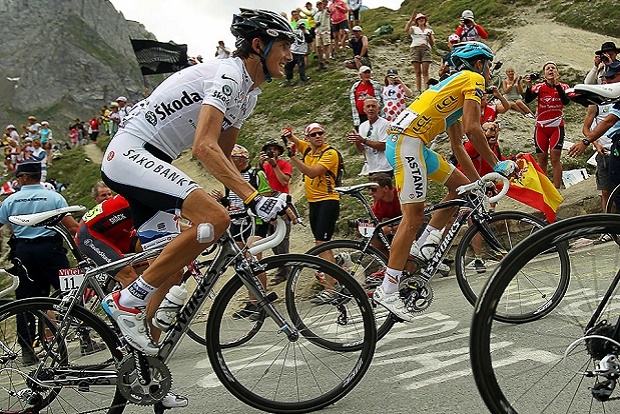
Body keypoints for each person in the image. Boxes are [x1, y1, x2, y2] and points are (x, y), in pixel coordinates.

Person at [99, 9, 292, 358]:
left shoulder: (248, 95)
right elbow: (203, 146)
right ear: (259, 45)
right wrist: (254, 197)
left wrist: (241, 197)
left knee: (171, 271)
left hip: (153, 160)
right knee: (214, 219)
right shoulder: (228, 75)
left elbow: (224, 153)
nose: (290, 55)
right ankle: (125, 301)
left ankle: (147, 367)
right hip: (131, 152)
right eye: (284, 45)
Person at [372, 42, 518, 321]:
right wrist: (498, 164)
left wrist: (481, 185)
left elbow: (459, 145)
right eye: (489, 66)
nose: (489, 74)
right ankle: (388, 290)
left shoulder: (453, 87)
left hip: (414, 144)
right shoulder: (472, 80)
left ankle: (426, 243)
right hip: (407, 143)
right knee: (412, 218)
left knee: (461, 187)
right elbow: (475, 129)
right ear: (479, 65)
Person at [0, 160, 79, 365]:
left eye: (18, 177)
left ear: (25, 177)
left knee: (26, 300)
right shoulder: (54, 197)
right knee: (71, 292)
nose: (16, 181)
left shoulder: (10, 201)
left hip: (24, 252)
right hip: (52, 250)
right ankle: (86, 338)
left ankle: (27, 351)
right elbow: (71, 227)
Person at [282, 123, 341, 303]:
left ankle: (330, 289)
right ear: (308, 137)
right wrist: (287, 134)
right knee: (323, 244)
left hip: (328, 200)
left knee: (322, 244)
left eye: (320, 133)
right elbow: (293, 140)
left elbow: (312, 173)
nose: (318, 137)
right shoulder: (308, 148)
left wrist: (293, 158)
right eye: (314, 134)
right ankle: (336, 281)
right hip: (314, 202)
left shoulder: (330, 153)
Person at [568, 62, 620, 207]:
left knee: (617, 193)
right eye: (605, 79)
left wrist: (585, 142)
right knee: (610, 192)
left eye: (612, 78)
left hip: (615, 147)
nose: (607, 81)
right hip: (609, 148)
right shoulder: (613, 102)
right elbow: (589, 126)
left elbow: (609, 121)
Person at [523, 61, 570, 189]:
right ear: (544, 74)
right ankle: (544, 189)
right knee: (542, 159)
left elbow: (566, 101)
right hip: (541, 128)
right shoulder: (539, 87)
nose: (550, 70)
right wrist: (528, 86)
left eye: (553, 68)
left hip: (556, 127)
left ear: (557, 72)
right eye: (547, 68)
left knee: (555, 158)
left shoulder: (564, 86)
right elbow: (527, 100)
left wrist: (557, 85)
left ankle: (558, 189)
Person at [259, 140, 292, 286]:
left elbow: (284, 181)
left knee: (283, 239)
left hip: (282, 203)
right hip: (268, 205)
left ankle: (284, 271)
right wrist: (261, 166)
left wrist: (274, 165)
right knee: (273, 240)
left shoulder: (284, 164)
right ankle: (283, 268)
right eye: (269, 149)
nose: (271, 152)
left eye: (274, 149)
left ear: (279, 151)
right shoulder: (263, 167)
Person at [581, 100, 614, 214]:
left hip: (616, 149)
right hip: (604, 152)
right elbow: (586, 128)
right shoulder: (595, 104)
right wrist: (596, 144)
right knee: (605, 191)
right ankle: (608, 224)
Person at [347, 97, 393, 176]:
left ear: (378, 109)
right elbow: (362, 149)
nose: (371, 109)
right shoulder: (362, 126)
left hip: (385, 167)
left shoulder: (385, 124)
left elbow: (383, 146)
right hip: (372, 168)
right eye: (368, 106)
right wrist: (357, 141)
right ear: (364, 109)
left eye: (373, 106)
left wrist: (363, 140)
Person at [405, 12, 434, 94]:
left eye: (422, 18)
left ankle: (427, 89)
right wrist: (410, 19)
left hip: (426, 49)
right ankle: (418, 90)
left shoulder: (429, 30)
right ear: (416, 21)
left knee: (425, 71)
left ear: (425, 20)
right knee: (417, 72)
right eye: (419, 19)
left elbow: (432, 43)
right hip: (415, 49)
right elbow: (406, 29)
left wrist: (429, 37)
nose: (421, 20)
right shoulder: (414, 28)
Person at [349, 65, 383, 131]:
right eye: (365, 73)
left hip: (373, 115)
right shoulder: (355, 86)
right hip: (360, 116)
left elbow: (381, 100)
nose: (367, 75)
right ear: (360, 75)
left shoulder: (376, 85)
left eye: (368, 73)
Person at [283, 21, 311, 86]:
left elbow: (310, 40)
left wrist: (304, 31)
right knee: (288, 65)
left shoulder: (306, 32)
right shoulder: (294, 31)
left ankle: (302, 79)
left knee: (301, 66)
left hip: (301, 52)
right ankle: (288, 79)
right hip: (293, 50)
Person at [314, 0, 332, 70]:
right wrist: (315, 25)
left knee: (326, 46)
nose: (320, 6)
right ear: (317, 6)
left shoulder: (326, 11)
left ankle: (327, 61)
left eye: (321, 4)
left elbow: (329, 12)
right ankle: (320, 62)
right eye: (318, 5)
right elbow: (315, 23)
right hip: (318, 31)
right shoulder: (316, 14)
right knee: (318, 48)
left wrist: (327, 9)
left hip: (325, 31)